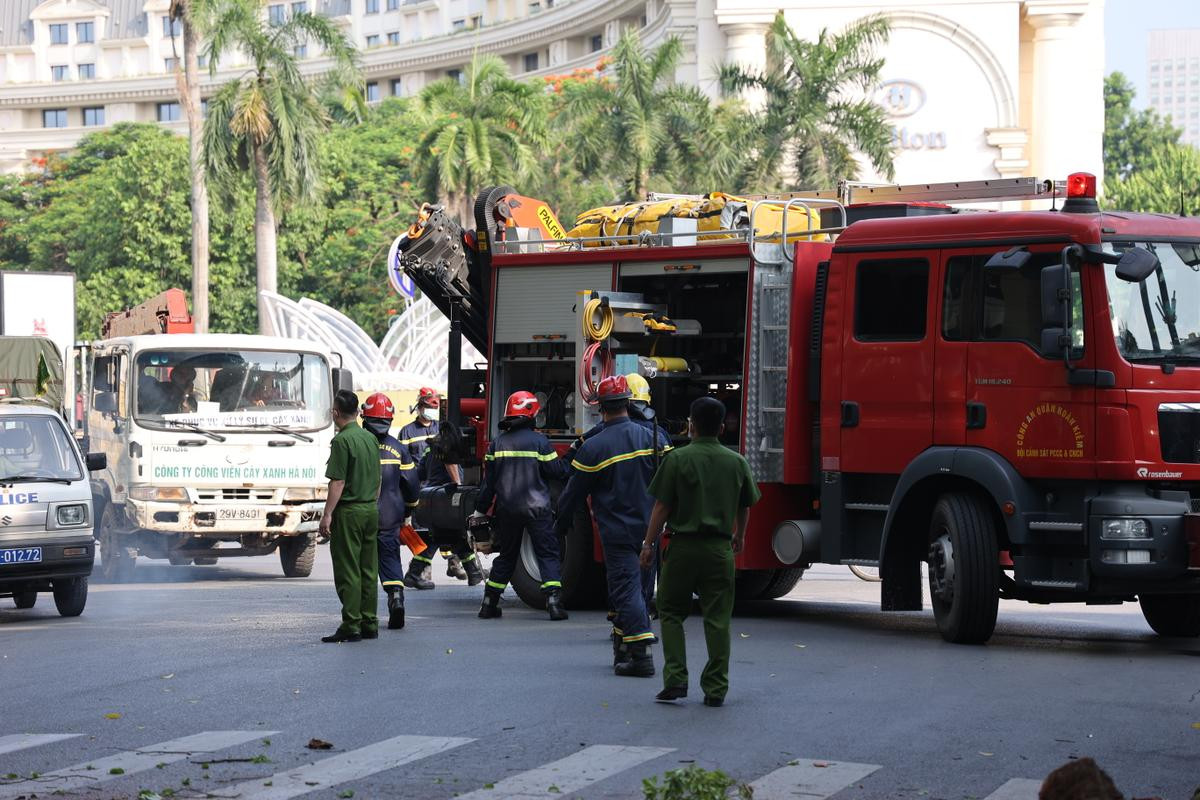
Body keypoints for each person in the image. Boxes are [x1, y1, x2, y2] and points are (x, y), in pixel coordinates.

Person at [642, 396, 761, 706]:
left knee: (670, 613)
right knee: (718, 619)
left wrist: (648, 544)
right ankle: (716, 688)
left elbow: (661, 506)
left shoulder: (677, 459)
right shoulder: (737, 462)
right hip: (719, 550)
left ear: (691, 425)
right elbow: (745, 505)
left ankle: (676, 679)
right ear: (722, 428)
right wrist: (740, 535)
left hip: (682, 548)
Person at [557, 375, 671, 677]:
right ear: (628, 403)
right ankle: (624, 642)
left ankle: (641, 653)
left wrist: (561, 523)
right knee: (642, 587)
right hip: (651, 529)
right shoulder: (655, 438)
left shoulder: (594, 447)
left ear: (600, 408)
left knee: (626, 589)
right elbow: (673, 483)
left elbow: (572, 493)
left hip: (618, 532)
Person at [472, 390, 568, 622]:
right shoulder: (540, 442)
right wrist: (572, 458)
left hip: (507, 511)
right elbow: (557, 472)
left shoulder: (497, 444)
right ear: (531, 414)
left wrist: (480, 510)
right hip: (537, 509)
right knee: (547, 553)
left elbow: (489, 484)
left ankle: (489, 603)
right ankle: (554, 603)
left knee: (507, 556)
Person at [318, 390, 382, 643]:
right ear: (357, 411)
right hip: (369, 509)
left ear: (335, 413)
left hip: (350, 512)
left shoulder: (341, 442)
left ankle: (351, 624)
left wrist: (327, 515)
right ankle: (370, 622)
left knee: (348, 569)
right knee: (369, 568)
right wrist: (371, 503)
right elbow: (378, 480)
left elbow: (338, 482)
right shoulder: (370, 439)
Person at [360, 392, 419, 630]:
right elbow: (412, 484)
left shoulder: (356, 444)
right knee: (390, 558)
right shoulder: (398, 448)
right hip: (390, 515)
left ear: (365, 418)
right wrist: (409, 510)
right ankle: (396, 597)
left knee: (362, 564)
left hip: (362, 514)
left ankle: (363, 614)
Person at [400, 386, 468, 584]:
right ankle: (423, 572)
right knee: (427, 532)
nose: (430, 410)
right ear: (419, 407)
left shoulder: (441, 428)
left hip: (439, 487)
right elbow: (403, 461)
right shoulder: (408, 431)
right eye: (427, 406)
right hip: (420, 487)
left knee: (442, 530)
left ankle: (452, 562)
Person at [417, 431, 486, 586]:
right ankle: (414, 572)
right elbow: (450, 463)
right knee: (436, 538)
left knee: (455, 534)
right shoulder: (448, 448)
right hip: (443, 496)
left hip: (432, 494)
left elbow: (420, 473)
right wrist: (460, 487)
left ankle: (473, 572)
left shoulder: (431, 448)